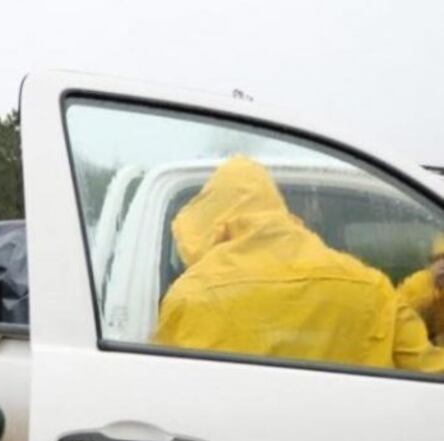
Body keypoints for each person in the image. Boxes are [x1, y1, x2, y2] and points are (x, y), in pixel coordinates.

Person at [154, 155, 444, 372]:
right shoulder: (371, 287)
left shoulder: (190, 296)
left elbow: (159, 385)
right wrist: (429, 284)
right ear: (276, 206)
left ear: (213, 222)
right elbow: (428, 368)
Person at [397, 235, 444, 345]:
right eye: (437, 259)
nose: (442, 265)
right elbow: (397, 323)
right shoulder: (416, 286)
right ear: (430, 264)